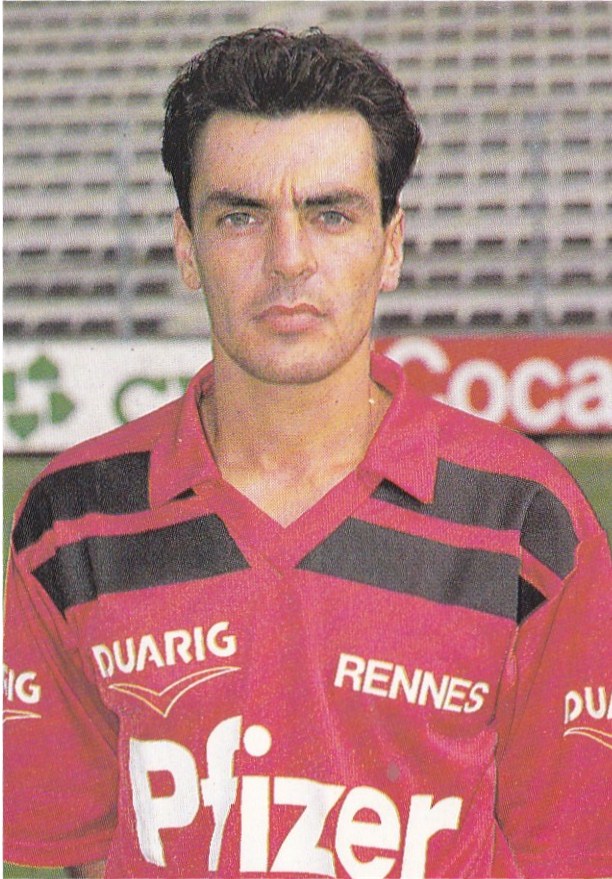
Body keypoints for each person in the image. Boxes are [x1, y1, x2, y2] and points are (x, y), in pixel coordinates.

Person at [3, 27, 610, 879]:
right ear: (186, 248)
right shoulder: (71, 520)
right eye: (240, 216)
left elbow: (571, 851)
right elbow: (69, 846)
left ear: (390, 245)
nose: (287, 260)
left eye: (331, 214)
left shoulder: (528, 521)